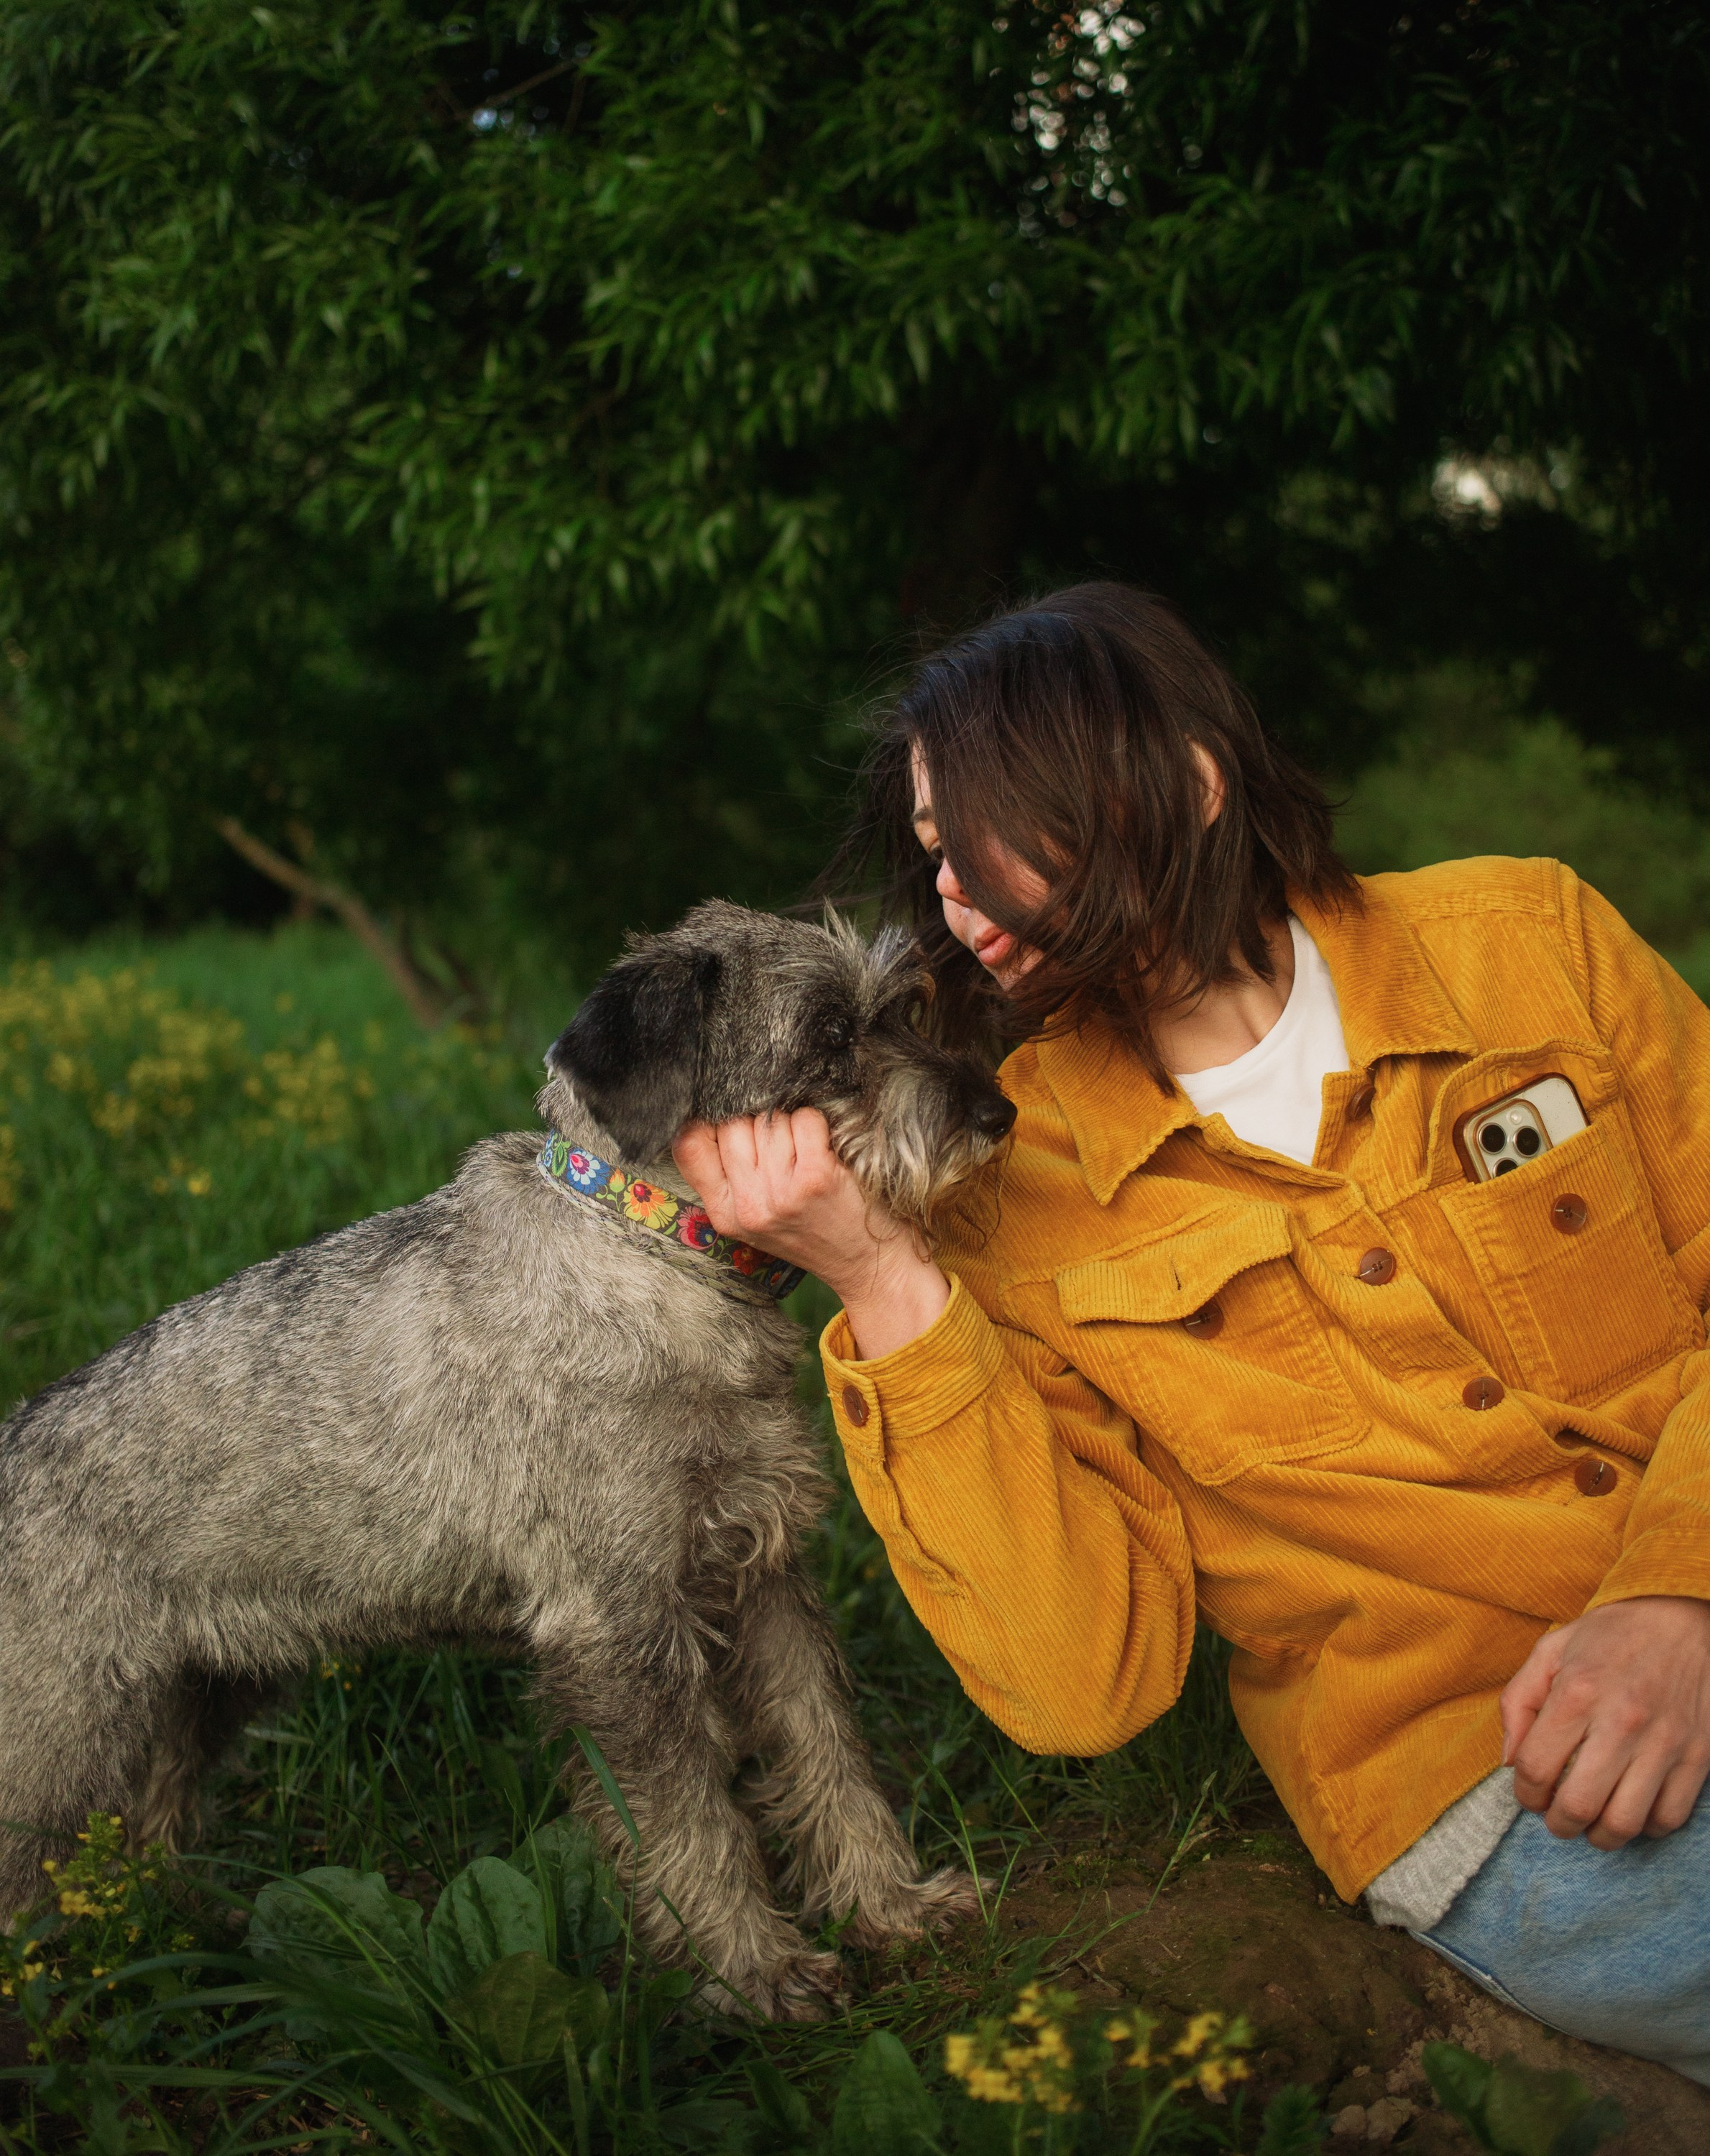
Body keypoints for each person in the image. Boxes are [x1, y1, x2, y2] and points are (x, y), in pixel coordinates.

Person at [674, 584, 1710, 2083]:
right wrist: (882, 1280)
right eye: (926, 857)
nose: (952, 899)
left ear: (1182, 779)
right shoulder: (1008, 1199)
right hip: (1499, 1781)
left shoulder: (1527, 946)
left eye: (976, 839)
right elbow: (1084, 1684)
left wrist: (1675, 1600)